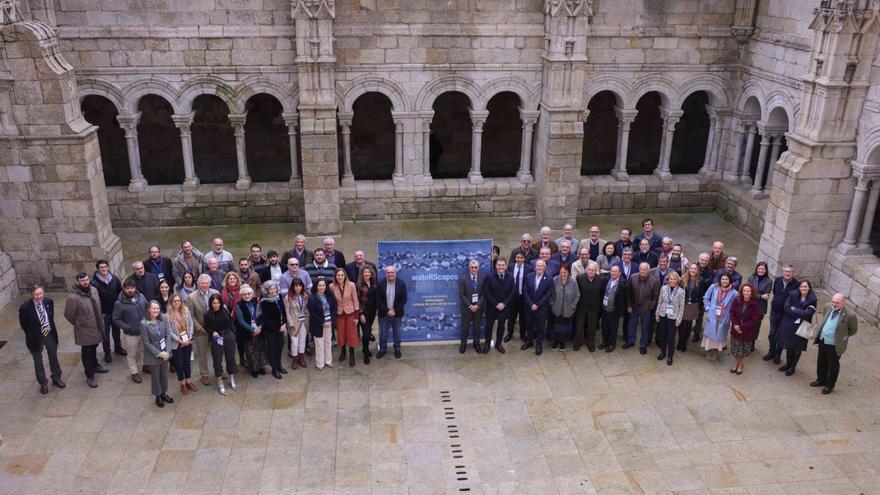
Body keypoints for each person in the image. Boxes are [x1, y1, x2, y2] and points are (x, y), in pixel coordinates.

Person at [64, 272, 108, 388]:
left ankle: (95, 364)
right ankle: (90, 375)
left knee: (94, 346)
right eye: (82, 281)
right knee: (87, 351)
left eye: (87, 280)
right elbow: (68, 315)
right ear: (77, 282)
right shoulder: (73, 298)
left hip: (96, 325)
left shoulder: (93, 290)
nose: (85, 282)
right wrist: (80, 323)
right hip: (85, 329)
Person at [19, 285, 65, 394]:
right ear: (32, 295)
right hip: (35, 337)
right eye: (36, 294)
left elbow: (50, 317)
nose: (39, 296)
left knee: (53, 356)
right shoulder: (25, 307)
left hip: (49, 333)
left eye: (40, 294)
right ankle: (43, 383)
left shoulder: (49, 302)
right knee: (38, 361)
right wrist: (33, 333)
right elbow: (24, 324)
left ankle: (56, 378)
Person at [811, 293, 858, 394]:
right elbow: (825, 318)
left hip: (834, 344)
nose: (834, 304)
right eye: (833, 301)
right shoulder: (828, 306)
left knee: (833, 366)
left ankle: (829, 386)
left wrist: (841, 337)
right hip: (823, 340)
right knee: (821, 362)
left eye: (837, 303)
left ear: (843, 303)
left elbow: (853, 330)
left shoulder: (850, 315)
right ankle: (820, 380)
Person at [777, 280, 817, 377]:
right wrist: (799, 312)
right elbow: (786, 308)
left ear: (809, 288)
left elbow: (808, 313)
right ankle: (788, 364)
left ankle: (792, 367)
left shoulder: (812, 299)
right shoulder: (792, 295)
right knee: (789, 345)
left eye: (805, 287)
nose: (803, 288)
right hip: (790, 324)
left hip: (802, 326)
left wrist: (794, 309)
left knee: (797, 349)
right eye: (801, 287)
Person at [112, 279, 148, 383]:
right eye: (128, 288)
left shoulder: (141, 297)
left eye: (132, 288)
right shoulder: (119, 303)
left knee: (144, 350)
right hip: (131, 334)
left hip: (144, 331)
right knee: (132, 354)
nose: (130, 290)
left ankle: (145, 366)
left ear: (135, 288)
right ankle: (134, 372)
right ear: (124, 289)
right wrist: (127, 327)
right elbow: (115, 319)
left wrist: (149, 323)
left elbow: (147, 308)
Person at [185, 274, 219, 386]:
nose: (204, 285)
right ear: (198, 284)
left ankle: (219, 370)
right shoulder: (191, 297)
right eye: (202, 283)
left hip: (215, 328)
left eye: (206, 283)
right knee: (202, 354)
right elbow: (190, 315)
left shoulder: (215, 293)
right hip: (201, 330)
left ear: (210, 283)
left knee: (218, 351)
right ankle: (204, 375)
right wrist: (199, 327)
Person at [141, 301, 175, 408]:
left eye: (157, 308)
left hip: (165, 352)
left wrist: (168, 352)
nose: (156, 310)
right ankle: (158, 396)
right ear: (149, 310)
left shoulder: (164, 318)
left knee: (164, 375)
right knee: (156, 376)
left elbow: (168, 335)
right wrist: (159, 353)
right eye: (153, 308)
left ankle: (164, 393)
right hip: (153, 354)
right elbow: (146, 343)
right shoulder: (144, 323)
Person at [763, 264, 799, 364]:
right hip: (774, 312)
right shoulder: (778, 280)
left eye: (789, 272)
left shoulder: (796, 284)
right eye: (785, 271)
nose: (787, 273)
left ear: (793, 273)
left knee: (781, 336)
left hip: (786, 315)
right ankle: (772, 351)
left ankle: (777, 355)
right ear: (783, 272)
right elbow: (775, 292)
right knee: (772, 334)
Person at [91, 259, 125, 362]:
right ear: (97, 269)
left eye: (105, 267)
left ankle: (118, 348)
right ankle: (107, 352)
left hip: (115, 311)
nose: (104, 269)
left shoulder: (114, 278)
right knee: (105, 334)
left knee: (116, 331)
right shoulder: (93, 283)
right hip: (104, 313)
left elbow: (120, 292)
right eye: (101, 267)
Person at [204, 294, 238, 394]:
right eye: (214, 303)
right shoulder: (208, 314)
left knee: (231, 358)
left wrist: (233, 334)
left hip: (228, 336)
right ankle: (220, 382)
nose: (216, 305)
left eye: (218, 303)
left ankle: (232, 379)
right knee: (217, 360)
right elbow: (206, 326)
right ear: (211, 303)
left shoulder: (224, 310)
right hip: (217, 338)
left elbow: (231, 322)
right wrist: (212, 332)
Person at [701, 273, 737, 361]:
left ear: (730, 281)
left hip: (723, 317)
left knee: (719, 335)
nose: (724, 281)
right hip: (713, 315)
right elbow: (705, 298)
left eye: (726, 279)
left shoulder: (734, 293)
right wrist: (708, 308)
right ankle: (708, 351)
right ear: (720, 280)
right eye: (723, 279)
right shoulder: (714, 287)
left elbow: (736, 306)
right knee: (710, 335)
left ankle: (715, 352)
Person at [626, 262, 659, 354]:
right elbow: (628, 292)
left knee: (645, 328)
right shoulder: (633, 277)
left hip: (646, 308)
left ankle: (643, 345)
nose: (642, 271)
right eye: (641, 269)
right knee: (631, 325)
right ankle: (631, 341)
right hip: (634, 306)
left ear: (648, 270)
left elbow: (656, 296)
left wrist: (650, 307)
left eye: (644, 270)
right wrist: (629, 305)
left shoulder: (654, 280)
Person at [167, 294, 196, 394]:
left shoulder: (186, 310)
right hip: (176, 343)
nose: (177, 303)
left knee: (187, 363)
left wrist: (190, 336)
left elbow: (191, 323)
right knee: (179, 364)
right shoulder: (168, 315)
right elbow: (169, 332)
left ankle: (189, 381)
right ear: (171, 302)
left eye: (178, 301)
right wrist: (180, 341)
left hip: (187, 341)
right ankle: (182, 384)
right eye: (174, 301)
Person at [728, 283, 761, 375]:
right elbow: (731, 312)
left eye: (748, 291)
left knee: (743, 349)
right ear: (742, 291)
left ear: (751, 293)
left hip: (747, 331)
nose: (746, 292)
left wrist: (741, 327)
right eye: (744, 290)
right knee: (736, 348)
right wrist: (736, 325)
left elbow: (754, 319)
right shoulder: (736, 300)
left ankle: (741, 364)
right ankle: (736, 362)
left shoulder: (755, 304)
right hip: (735, 329)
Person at [258, 280, 288, 379]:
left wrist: (284, 323)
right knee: (272, 349)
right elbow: (266, 319)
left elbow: (283, 311)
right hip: (271, 330)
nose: (273, 290)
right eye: (271, 289)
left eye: (274, 288)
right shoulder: (264, 302)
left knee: (279, 348)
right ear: (267, 290)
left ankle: (279, 366)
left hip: (281, 328)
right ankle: (274, 369)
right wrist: (278, 327)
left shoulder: (278, 298)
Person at [522, 259, 553, 355]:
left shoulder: (548, 278)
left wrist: (538, 304)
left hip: (541, 308)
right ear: (535, 267)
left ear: (544, 268)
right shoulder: (529, 276)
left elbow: (548, 294)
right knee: (529, 326)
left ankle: (539, 345)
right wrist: (531, 304)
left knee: (540, 328)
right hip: (529, 307)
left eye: (541, 266)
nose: (539, 268)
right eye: (537, 266)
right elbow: (525, 290)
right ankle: (529, 341)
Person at [331, 267, 360, 367]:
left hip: (350, 313)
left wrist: (356, 316)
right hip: (339, 314)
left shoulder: (351, 285)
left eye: (341, 275)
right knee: (341, 335)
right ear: (335, 276)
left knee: (351, 335)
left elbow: (355, 300)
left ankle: (352, 356)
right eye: (338, 275)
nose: (340, 277)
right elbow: (332, 302)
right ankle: (343, 353)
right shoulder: (332, 286)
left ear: (345, 276)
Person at [236, 285, 267, 377]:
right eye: (244, 294)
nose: (247, 296)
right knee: (250, 350)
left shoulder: (257, 302)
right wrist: (253, 329)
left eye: (249, 293)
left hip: (259, 329)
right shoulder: (239, 305)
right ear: (241, 296)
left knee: (260, 348)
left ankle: (261, 366)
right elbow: (241, 321)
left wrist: (260, 327)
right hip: (247, 331)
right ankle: (254, 368)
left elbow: (262, 315)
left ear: (252, 294)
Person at [484, 257, 514, 353]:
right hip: (492, 307)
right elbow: (487, 292)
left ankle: (499, 344)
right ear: (495, 266)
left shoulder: (510, 276)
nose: (501, 267)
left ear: (505, 266)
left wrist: (504, 304)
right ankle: (487, 344)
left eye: (502, 265)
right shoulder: (489, 276)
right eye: (499, 265)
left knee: (501, 326)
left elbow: (513, 292)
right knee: (489, 327)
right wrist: (496, 304)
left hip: (504, 308)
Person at [376, 266, 407, 359]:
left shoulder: (401, 283)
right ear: (385, 274)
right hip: (383, 314)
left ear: (395, 273)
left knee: (397, 332)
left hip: (397, 314)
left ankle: (397, 349)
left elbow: (404, 299)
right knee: (383, 333)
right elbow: (377, 299)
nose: (390, 274)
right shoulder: (380, 283)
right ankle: (382, 349)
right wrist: (387, 311)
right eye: (388, 273)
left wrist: (395, 310)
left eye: (392, 272)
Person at [654, 272, 685, 365]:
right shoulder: (663, 288)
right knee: (662, 335)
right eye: (670, 279)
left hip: (673, 317)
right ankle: (662, 352)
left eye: (674, 279)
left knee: (671, 337)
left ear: (677, 281)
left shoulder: (681, 291)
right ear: (668, 280)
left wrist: (679, 319)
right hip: (663, 315)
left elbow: (681, 306)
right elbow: (660, 301)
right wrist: (657, 314)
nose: (672, 281)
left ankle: (670, 356)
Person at [458, 260, 487, 354]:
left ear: (478, 268)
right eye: (472, 267)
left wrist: (478, 305)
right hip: (467, 308)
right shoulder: (463, 278)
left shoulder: (483, 277)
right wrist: (470, 306)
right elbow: (461, 295)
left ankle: (476, 343)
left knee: (477, 327)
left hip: (478, 308)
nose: (474, 269)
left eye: (476, 267)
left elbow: (484, 294)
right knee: (465, 327)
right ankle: (463, 344)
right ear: (469, 268)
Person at [308, 279, 336, 369]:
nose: (322, 287)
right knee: (319, 344)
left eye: (323, 285)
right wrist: (322, 322)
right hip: (318, 324)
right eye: (320, 285)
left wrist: (331, 319)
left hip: (329, 322)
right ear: (316, 286)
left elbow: (334, 308)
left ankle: (328, 361)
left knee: (328, 342)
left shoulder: (330, 295)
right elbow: (313, 314)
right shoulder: (312, 298)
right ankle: (320, 363)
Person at [574, 261, 602, 352]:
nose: (590, 271)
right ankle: (578, 342)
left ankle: (590, 343)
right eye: (589, 270)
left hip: (594, 308)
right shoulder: (580, 278)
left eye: (593, 270)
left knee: (592, 327)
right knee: (579, 326)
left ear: (596, 271)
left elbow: (601, 294)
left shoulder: (601, 280)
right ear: (586, 270)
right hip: (581, 307)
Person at [550, 264, 579, 351]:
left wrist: (573, 306)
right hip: (556, 309)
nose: (562, 274)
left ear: (568, 272)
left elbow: (577, 295)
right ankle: (556, 342)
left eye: (565, 272)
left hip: (568, 310)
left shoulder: (573, 282)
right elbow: (550, 294)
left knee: (564, 328)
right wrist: (552, 304)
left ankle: (562, 342)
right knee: (556, 327)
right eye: (561, 272)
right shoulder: (554, 280)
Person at [677, 263, 705, 352]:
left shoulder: (701, 281)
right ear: (688, 269)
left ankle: (684, 342)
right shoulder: (682, 279)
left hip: (693, 305)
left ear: (697, 271)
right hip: (683, 304)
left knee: (688, 325)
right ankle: (680, 340)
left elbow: (702, 295)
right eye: (691, 268)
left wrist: (700, 307)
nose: (693, 270)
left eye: (695, 269)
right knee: (681, 324)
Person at [284, 279, 310, 369]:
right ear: (292, 287)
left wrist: (307, 317)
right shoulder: (288, 297)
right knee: (294, 343)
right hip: (294, 323)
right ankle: (295, 359)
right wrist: (290, 324)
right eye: (296, 286)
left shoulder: (305, 295)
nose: (298, 288)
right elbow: (287, 312)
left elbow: (306, 308)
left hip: (304, 322)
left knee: (302, 340)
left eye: (300, 286)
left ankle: (301, 358)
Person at [747, 261, 772, 351]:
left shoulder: (769, 281)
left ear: (766, 270)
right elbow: (748, 291)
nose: (761, 270)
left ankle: (752, 342)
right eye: (759, 268)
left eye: (763, 269)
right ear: (757, 269)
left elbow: (767, 295)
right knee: (747, 324)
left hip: (760, 308)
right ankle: (746, 340)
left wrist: (755, 294)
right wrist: (760, 296)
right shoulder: (751, 278)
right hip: (749, 305)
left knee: (756, 326)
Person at [506, 252, 531, 342]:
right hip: (513, 297)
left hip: (523, 297)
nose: (519, 259)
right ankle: (510, 333)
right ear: (515, 258)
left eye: (521, 257)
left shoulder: (529, 268)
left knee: (523, 317)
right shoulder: (510, 267)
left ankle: (523, 334)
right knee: (511, 316)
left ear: (524, 259)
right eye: (518, 257)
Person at [600, 265, 626, 352]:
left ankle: (612, 344)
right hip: (604, 308)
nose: (613, 273)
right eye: (612, 271)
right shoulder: (606, 280)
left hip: (614, 310)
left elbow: (626, 297)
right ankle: (605, 341)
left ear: (619, 273)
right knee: (604, 327)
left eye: (615, 272)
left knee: (613, 328)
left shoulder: (622, 283)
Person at [691, 252, 715, 344]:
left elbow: (708, 284)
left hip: (701, 297)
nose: (703, 262)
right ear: (699, 259)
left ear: (708, 261)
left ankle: (696, 334)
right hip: (691, 296)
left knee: (699, 317)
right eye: (702, 260)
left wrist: (700, 279)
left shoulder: (710, 272)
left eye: (705, 260)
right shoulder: (693, 266)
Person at [357, 266, 378, 364]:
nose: (367, 274)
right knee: (365, 334)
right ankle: (365, 353)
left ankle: (366, 348)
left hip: (372, 312)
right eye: (365, 272)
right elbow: (357, 301)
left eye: (368, 272)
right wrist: (361, 313)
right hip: (363, 312)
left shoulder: (374, 284)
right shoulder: (359, 285)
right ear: (362, 274)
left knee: (368, 330)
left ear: (371, 273)